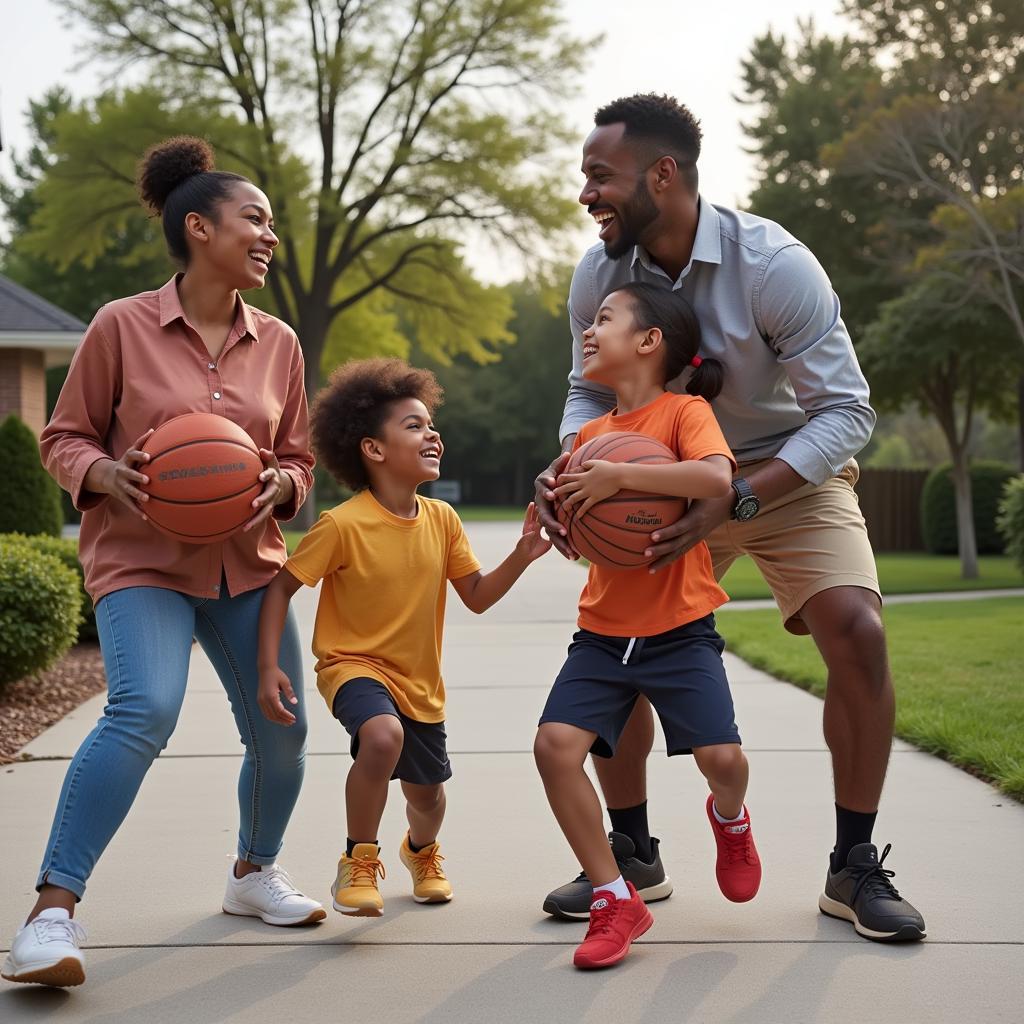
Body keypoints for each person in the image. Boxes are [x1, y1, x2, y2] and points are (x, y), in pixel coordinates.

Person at [535, 94, 926, 943]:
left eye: (600, 177)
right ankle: (632, 850)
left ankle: (852, 866)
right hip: (656, 479)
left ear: (662, 175)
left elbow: (847, 412)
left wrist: (739, 494)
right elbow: (583, 391)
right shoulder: (601, 274)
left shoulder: (772, 263)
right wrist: (573, 466)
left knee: (857, 628)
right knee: (621, 644)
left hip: (784, 469)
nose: (587, 195)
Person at [2, 137, 324, 990]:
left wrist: (282, 485)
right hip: (142, 562)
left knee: (283, 733)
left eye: (269, 224)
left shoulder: (281, 342)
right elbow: (62, 436)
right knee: (145, 708)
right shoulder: (120, 326)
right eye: (253, 219)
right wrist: (101, 471)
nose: (268, 236)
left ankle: (253, 873)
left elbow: (298, 455)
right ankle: (49, 914)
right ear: (198, 227)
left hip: (247, 568)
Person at [256, 358, 551, 918]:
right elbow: (280, 590)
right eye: (413, 425)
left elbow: (478, 595)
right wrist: (270, 665)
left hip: (421, 683)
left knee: (428, 797)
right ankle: (357, 860)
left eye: (430, 424)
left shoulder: (442, 520)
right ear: (373, 449)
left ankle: (420, 849)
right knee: (382, 736)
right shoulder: (342, 525)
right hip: (352, 666)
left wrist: (524, 553)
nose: (431, 432)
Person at [535, 283, 761, 970]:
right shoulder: (586, 437)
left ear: (649, 341)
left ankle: (731, 820)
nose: (589, 329)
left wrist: (614, 484)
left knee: (722, 762)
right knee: (553, 748)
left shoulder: (683, 412)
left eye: (604, 318)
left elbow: (717, 480)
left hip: (680, 628)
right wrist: (560, 508)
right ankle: (615, 898)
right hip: (603, 631)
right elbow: (565, 501)